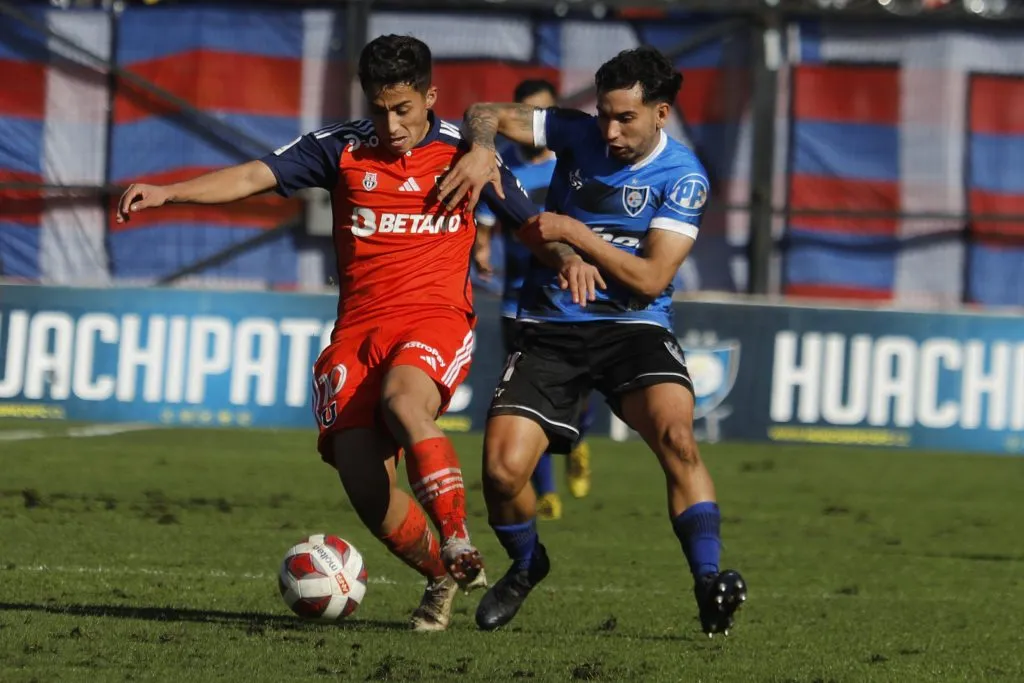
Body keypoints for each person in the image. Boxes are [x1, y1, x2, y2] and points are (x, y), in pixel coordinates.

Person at [115, 34, 537, 632]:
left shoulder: (465, 154)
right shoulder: (339, 148)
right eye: (380, 109)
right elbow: (252, 176)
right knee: (364, 484)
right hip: (358, 331)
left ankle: (459, 538)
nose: (391, 125)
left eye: (404, 110)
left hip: (434, 318)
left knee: (404, 401)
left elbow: (533, 223)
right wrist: (168, 191)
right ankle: (440, 575)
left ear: (430, 97)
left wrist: (574, 255)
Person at [439, 45, 747, 636]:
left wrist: (576, 233)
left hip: (634, 329)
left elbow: (651, 278)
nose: (609, 129)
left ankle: (708, 583)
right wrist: (481, 151)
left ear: (661, 113)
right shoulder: (575, 131)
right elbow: (481, 111)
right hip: (551, 328)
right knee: (502, 476)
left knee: (678, 437)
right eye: (603, 113)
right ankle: (529, 565)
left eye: (625, 117)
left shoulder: (683, 177)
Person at [473, 78, 595, 522]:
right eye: (521, 114)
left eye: (538, 114)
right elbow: (485, 222)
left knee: (581, 392)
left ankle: (578, 440)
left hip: (575, 297)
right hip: (521, 302)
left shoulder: (574, 165)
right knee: (530, 400)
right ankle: (546, 492)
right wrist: (481, 250)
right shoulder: (503, 167)